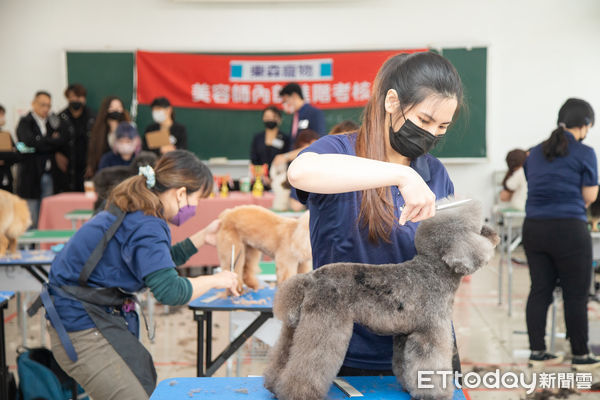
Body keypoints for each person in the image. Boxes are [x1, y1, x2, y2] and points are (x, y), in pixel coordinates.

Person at [287, 51, 462, 375]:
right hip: (341, 352)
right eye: (424, 121)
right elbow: (299, 172)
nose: (432, 134)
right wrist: (401, 175)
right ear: (392, 101)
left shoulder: (434, 172)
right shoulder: (338, 152)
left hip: (420, 352)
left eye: (442, 126)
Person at [39, 150, 240, 399]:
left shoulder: (138, 209)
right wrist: (218, 279)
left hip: (80, 318)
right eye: (199, 198)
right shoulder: (147, 222)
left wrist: (201, 238)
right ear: (181, 194)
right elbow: (169, 290)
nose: (196, 207)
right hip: (80, 327)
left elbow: (156, 265)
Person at [522, 98, 600, 369]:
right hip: (569, 229)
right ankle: (580, 355)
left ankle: (537, 352)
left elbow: (537, 185)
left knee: (540, 290)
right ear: (586, 124)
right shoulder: (586, 152)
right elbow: (590, 196)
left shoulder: (532, 153)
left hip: (534, 227)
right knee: (575, 294)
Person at [16, 91, 66, 228]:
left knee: (47, 215)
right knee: (31, 216)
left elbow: (61, 140)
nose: (46, 109)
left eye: (49, 106)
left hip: (49, 174)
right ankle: (30, 247)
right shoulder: (25, 122)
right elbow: (28, 141)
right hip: (31, 175)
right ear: (34, 104)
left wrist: (42, 143)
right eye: (42, 105)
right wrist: (50, 142)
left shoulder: (53, 121)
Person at [57, 84, 96, 192]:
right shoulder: (60, 117)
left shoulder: (93, 117)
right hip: (67, 168)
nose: (76, 99)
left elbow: (98, 142)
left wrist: (92, 162)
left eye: (79, 97)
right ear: (68, 98)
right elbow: (53, 141)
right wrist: (57, 154)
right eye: (73, 96)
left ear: (84, 99)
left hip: (88, 166)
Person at [86, 96, 130, 178]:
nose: (115, 111)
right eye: (112, 108)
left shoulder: (129, 129)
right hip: (103, 173)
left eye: (119, 107)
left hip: (123, 173)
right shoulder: (98, 130)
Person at [250, 105, 290, 180]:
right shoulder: (258, 138)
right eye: (267, 117)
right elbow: (254, 159)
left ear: (279, 119)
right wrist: (262, 176)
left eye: (273, 117)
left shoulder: (284, 138)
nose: (270, 119)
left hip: (280, 178)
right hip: (260, 179)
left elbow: (287, 159)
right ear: (263, 118)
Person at [0, 104, 15, 191]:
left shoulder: (6, 135)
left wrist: (4, 159)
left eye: (3, 114)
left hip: (6, 176)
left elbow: (16, 154)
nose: (2, 117)